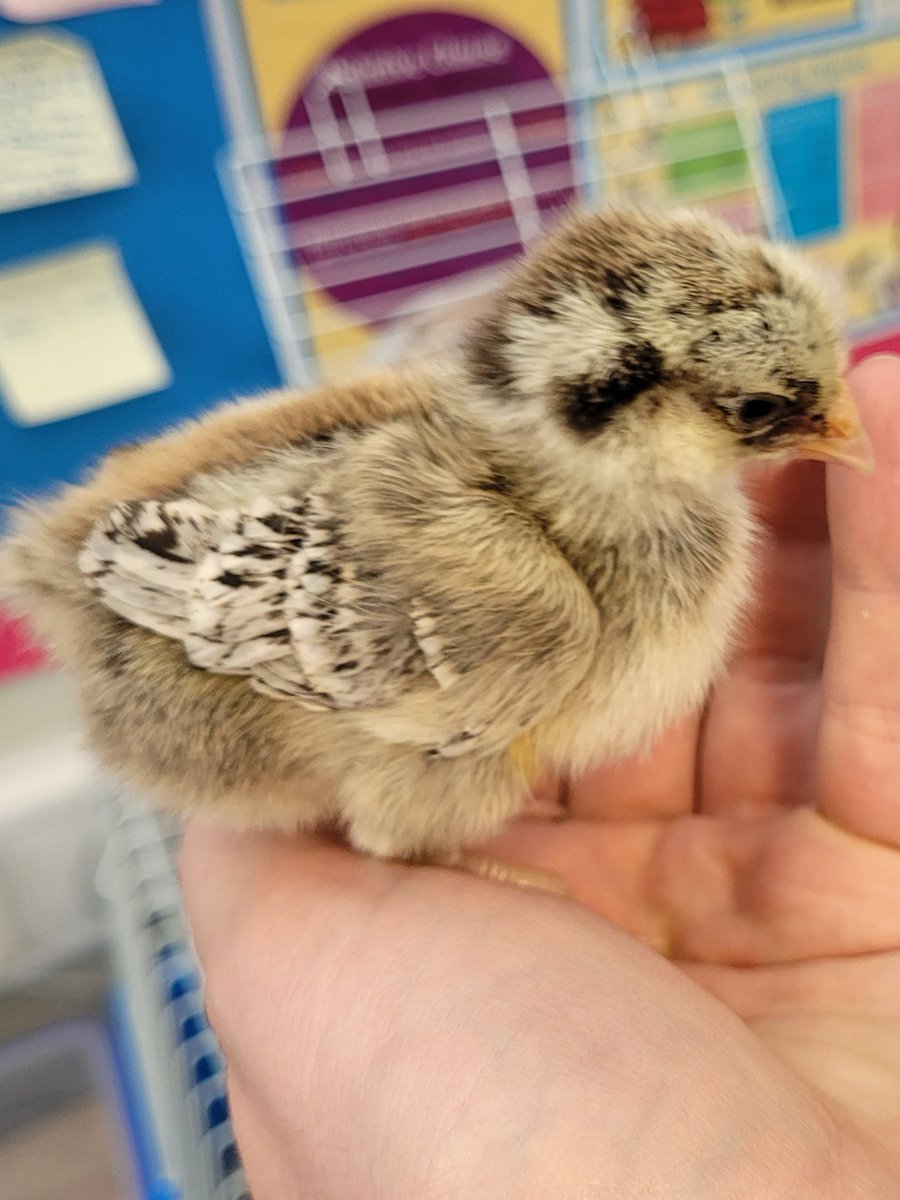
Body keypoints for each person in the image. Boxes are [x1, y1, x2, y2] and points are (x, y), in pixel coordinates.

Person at [181, 355, 900, 1198]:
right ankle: (405, 837)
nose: (835, 429)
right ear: (619, 408)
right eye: (754, 406)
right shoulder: (515, 586)